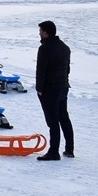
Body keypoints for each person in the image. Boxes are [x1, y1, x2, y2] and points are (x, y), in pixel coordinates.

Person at [36, 20, 75, 160]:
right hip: (63, 87)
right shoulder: (65, 47)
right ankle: (69, 149)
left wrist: (39, 89)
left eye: (40, 31)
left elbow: (41, 70)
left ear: (46, 32)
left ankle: (53, 152)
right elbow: (67, 69)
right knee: (64, 117)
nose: (39, 33)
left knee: (52, 121)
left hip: (49, 89)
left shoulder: (45, 48)